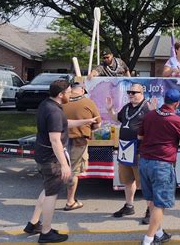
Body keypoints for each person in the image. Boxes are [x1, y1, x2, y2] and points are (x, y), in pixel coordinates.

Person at [23, 80, 98, 243]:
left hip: (43, 156)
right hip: (51, 159)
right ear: (61, 94)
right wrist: (64, 164)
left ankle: (33, 223)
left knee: (47, 188)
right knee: (51, 194)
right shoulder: (55, 111)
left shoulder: (47, 104)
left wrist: (86, 122)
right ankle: (46, 232)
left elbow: (64, 124)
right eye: (69, 92)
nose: (71, 95)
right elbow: (55, 140)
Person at [138, 89, 180, 245]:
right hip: (162, 163)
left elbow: (140, 136)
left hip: (145, 161)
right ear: (177, 103)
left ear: (164, 100)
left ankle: (159, 233)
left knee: (152, 200)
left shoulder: (150, 115)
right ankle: (148, 240)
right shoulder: (176, 120)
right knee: (160, 204)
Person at [106, 83, 152, 223]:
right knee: (127, 180)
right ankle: (129, 205)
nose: (131, 95)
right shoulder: (126, 107)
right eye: (129, 92)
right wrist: (110, 110)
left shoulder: (147, 107)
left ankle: (150, 210)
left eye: (134, 92)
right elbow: (117, 119)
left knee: (144, 183)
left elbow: (154, 127)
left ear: (142, 93)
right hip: (125, 148)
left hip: (139, 150)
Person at [62, 82, 101, 211]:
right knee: (73, 172)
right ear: (82, 90)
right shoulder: (88, 103)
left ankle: (49, 196)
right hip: (78, 141)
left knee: (61, 167)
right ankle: (70, 201)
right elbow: (97, 124)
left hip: (60, 140)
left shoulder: (61, 101)